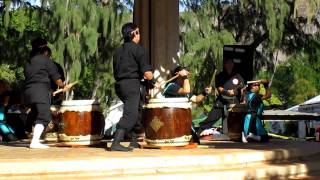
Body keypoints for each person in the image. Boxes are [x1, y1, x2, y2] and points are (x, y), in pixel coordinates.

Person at [112, 22, 158, 152]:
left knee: (136, 112)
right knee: (130, 115)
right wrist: (154, 81)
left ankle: (134, 141)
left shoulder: (117, 50)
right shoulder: (138, 49)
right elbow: (147, 73)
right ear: (134, 34)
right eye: (138, 32)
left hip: (119, 86)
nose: (139, 35)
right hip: (131, 86)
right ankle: (116, 142)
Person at [24, 38, 69, 149]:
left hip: (28, 92)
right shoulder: (46, 61)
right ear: (44, 51)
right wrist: (63, 86)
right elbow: (57, 79)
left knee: (35, 113)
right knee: (44, 116)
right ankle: (34, 142)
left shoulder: (28, 62)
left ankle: (30, 135)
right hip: (40, 91)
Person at [162, 66, 212, 144]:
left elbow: (196, 99)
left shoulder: (182, 87)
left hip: (183, 120)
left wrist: (204, 93)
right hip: (172, 122)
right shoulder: (171, 86)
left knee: (195, 141)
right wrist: (185, 76)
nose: (187, 76)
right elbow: (186, 90)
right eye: (185, 73)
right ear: (177, 74)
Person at [197, 58, 245, 137]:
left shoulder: (238, 76)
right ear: (225, 65)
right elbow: (219, 88)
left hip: (234, 101)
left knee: (236, 120)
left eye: (231, 63)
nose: (230, 65)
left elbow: (242, 88)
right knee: (211, 118)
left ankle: (238, 136)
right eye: (228, 63)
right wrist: (227, 92)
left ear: (233, 64)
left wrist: (243, 98)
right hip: (222, 100)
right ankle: (197, 133)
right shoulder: (220, 76)